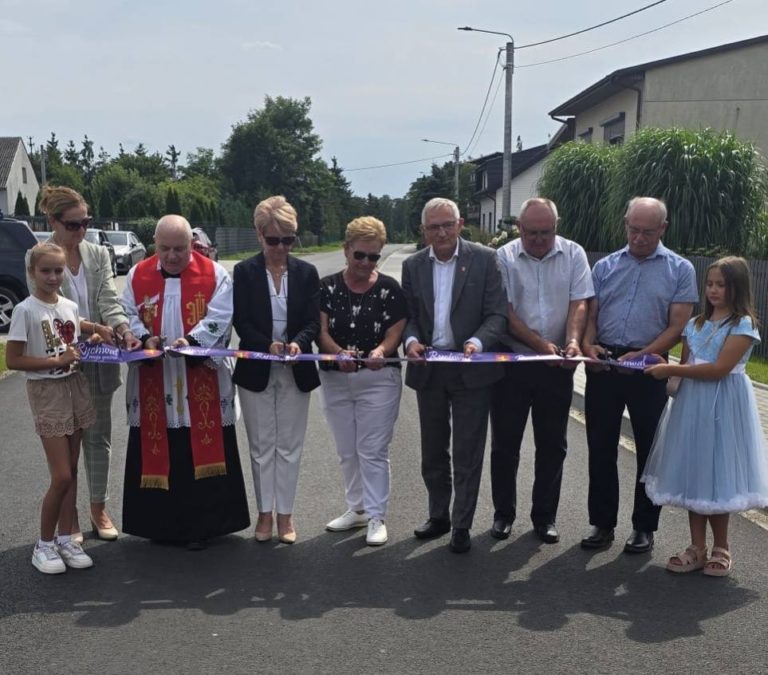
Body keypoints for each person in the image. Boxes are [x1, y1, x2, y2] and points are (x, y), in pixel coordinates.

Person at [120, 215, 250, 548]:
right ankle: (159, 525)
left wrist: (190, 343)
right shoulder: (138, 274)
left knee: (198, 444)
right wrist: (145, 337)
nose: (173, 256)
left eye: (180, 249)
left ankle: (201, 527)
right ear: (155, 243)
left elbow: (221, 316)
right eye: (165, 248)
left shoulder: (214, 274)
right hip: (155, 378)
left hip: (200, 374)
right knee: (159, 443)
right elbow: (126, 313)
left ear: (192, 245)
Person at [581, 197, 698, 553]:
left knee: (650, 451)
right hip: (606, 363)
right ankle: (602, 524)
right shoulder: (604, 266)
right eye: (634, 229)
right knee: (600, 447)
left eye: (648, 231)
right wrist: (588, 345)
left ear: (662, 229)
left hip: (650, 368)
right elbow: (591, 313)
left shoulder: (680, 269)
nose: (639, 237)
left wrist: (644, 353)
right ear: (625, 223)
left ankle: (644, 527)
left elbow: (678, 326)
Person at [643, 257, 768, 576]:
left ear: (736, 287)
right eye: (710, 283)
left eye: (721, 284)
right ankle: (696, 546)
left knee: (718, 473)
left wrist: (669, 368)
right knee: (695, 471)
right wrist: (668, 370)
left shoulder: (743, 324)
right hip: (692, 405)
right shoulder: (696, 323)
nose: (713, 290)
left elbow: (718, 369)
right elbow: (687, 365)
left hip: (723, 405)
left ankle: (722, 546)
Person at [33, 185, 141, 543]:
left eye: (86, 223)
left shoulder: (97, 254)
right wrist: (83, 336)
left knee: (99, 439)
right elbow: (45, 309)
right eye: (74, 224)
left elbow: (109, 299)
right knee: (66, 447)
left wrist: (122, 328)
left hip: (100, 360)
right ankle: (70, 516)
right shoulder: (39, 255)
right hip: (60, 366)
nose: (81, 231)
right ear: (53, 221)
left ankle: (98, 508)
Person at [402, 197, 507, 553]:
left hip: (470, 371)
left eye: (448, 224)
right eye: (434, 227)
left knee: (467, 451)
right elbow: (410, 315)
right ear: (424, 231)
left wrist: (478, 342)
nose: (442, 232)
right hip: (430, 369)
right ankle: (438, 516)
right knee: (433, 451)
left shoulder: (486, 259)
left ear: (461, 224)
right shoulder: (413, 265)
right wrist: (412, 340)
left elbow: (497, 315)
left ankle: (461, 524)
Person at [490, 198, 594, 544]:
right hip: (513, 363)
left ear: (556, 226)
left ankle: (545, 516)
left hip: (558, 365)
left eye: (545, 233)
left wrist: (573, 341)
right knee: (506, 443)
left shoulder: (574, 254)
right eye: (531, 233)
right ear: (519, 228)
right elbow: (503, 311)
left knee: (553, 445)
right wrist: (538, 345)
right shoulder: (503, 257)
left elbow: (579, 301)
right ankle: (503, 514)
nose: (538, 240)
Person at [233, 196, 321, 544]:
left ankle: (286, 514)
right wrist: (265, 345)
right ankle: (264, 513)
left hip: (295, 370)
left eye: (288, 239)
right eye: (274, 240)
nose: (281, 247)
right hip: (257, 368)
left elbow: (314, 322)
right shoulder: (244, 272)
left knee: (290, 446)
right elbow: (242, 321)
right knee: (261, 446)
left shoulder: (306, 272)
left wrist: (298, 342)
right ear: (259, 235)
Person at [6, 243, 99, 573]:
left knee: (72, 473)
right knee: (60, 475)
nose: (52, 276)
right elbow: (13, 359)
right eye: (45, 270)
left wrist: (94, 337)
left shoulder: (70, 306)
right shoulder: (25, 310)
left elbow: (72, 337)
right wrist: (55, 361)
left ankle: (65, 540)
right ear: (32, 272)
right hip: (46, 391)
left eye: (58, 270)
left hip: (74, 387)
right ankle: (43, 545)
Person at [318, 217, 407, 546]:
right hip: (336, 379)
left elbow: (397, 326)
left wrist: (383, 350)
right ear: (346, 250)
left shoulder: (389, 288)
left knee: (372, 449)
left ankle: (376, 515)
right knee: (347, 449)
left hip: (378, 377)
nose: (366, 263)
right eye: (360, 255)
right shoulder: (327, 287)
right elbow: (321, 330)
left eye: (374, 256)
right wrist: (337, 353)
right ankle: (356, 508)